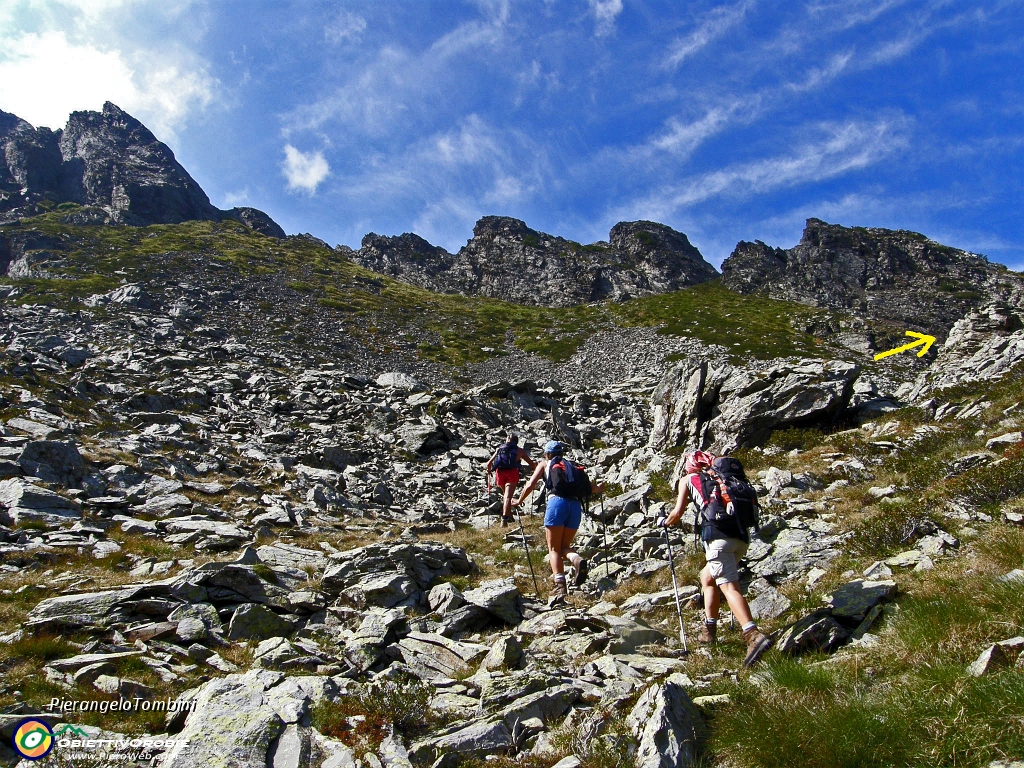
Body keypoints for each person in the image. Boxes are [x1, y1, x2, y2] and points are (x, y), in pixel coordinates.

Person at [661, 450, 772, 667]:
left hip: (717, 538)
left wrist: (664, 522)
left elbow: (677, 513)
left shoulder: (689, 479)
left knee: (729, 587)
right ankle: (709, 631)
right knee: (707, 577)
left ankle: (752, 634)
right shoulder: (723, 478)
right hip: (741, 538)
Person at [513, 440, 602, 605]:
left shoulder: (545, 464)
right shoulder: (571, 466)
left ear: (547, 454)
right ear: (561, 452)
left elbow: (531, 484)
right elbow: (591, 487)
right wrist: (599, 489)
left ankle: (560, 586)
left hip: (556, 503)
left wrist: (518, 500)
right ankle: (576, 559)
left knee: (553, 548)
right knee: (564, 547)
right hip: (575, 506)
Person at [486, 433, 537, 526]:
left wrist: (489, 472)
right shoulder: (520, 451)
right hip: (512, 473)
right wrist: (536, 466)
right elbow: (531, 464)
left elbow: (489, 463)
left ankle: (509, 516)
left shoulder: (499, 449)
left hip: (500, 473)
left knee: (506, 495)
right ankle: (504, 520)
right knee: (508, 497)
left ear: (507, 440)